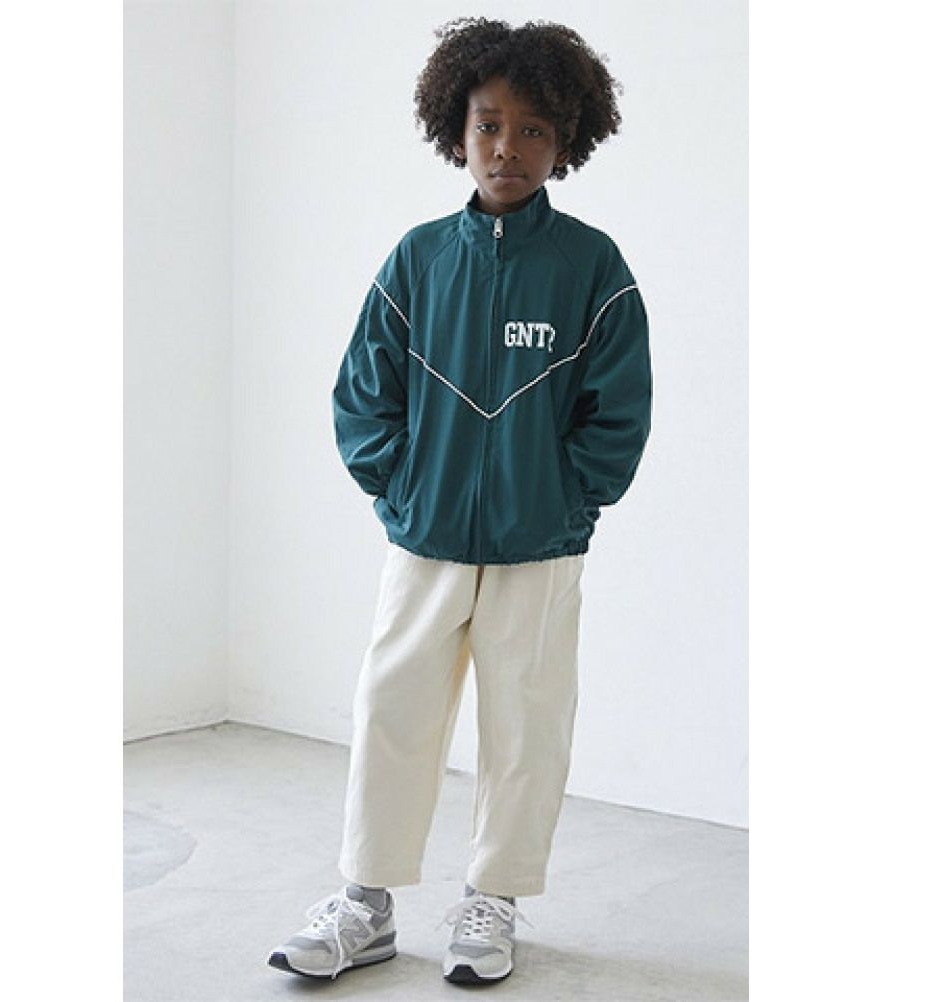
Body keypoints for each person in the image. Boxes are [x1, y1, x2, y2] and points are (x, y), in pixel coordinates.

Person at [267, 16, 651, 986]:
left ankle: (494, 902)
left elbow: (619, 409)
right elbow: (363, 392)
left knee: (526, 726)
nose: (506, 147)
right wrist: (401, 488)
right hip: (426, 538)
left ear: (565, 141)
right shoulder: (419, 259)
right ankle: (366, 902)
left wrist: (571, 500)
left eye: (532, 129)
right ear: (457, 130)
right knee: (391, 709)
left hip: (540, 544)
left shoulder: (593, 268)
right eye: (488, 125)